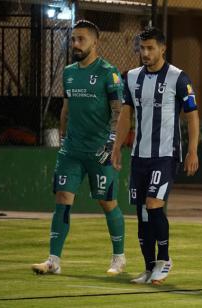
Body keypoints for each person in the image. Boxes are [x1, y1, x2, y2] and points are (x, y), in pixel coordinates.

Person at [32, 20, 126, 275]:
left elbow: (118, 111)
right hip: (71, 150)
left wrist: (111, 143)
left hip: (99, 151)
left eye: (81, 39)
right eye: (73, 39)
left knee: (107, 203)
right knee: (62, 199)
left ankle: (119, 258)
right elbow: (66, 108)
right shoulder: (69, 72)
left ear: (95, 42)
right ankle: (53, 260)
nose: (75, 44)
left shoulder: (109, 72)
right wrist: (62, 140)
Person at [112, 27, 199, 284]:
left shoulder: (178, 78)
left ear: (163, 49)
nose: (145, 53)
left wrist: (193, 150)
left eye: (151, 48)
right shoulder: (131, 78)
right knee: (141, 211)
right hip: (140, 155)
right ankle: (149, 268)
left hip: (165, 154)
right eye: (142, 48)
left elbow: (192, 116)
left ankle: (164, 259)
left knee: (154, 204)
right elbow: (125, 115)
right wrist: (117, 147)